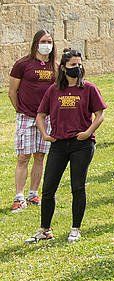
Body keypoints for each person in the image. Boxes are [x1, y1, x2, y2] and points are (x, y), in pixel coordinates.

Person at [25, 49, 105, 243]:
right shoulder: (54, 90)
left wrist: (88, 132)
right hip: (59, 144)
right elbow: (40, 115)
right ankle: (45, 229)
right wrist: (44, 134)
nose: (76, 68)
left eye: (79, 64)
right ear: (63, 68)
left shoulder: (89, 88)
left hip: (81, 145)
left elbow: (100, 113)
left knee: (77, 186)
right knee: (49, 188)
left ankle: (75, 228)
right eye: (72, 65)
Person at [9, 30, 56, 211]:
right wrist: (21, 110)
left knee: (40, 156)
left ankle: (33, 193)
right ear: (36, 43)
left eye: (50, 41)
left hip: (46, 118)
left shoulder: (54, 66)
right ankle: (19, 196)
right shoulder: (23, 64)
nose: (47, 45)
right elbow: (12, 91)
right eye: (43, 41)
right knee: (23, 157)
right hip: (26, 117)